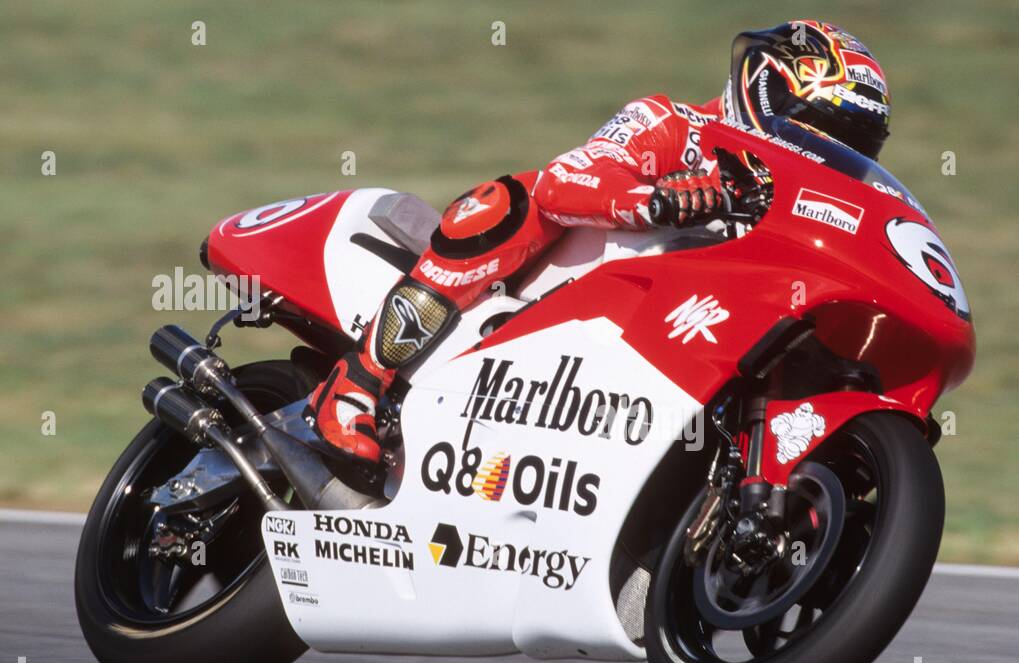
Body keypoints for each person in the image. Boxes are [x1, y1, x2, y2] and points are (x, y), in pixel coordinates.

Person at [306, 19, 891, 463]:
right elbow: (567, 181)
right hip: (536, 310)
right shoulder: (676, 125)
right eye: (821, 128)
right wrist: (654, 201)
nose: (831, 154)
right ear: (765, 91)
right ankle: (356, 381)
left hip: (666, 357)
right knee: (512, 200)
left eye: (853, 145)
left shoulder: (808, 210)